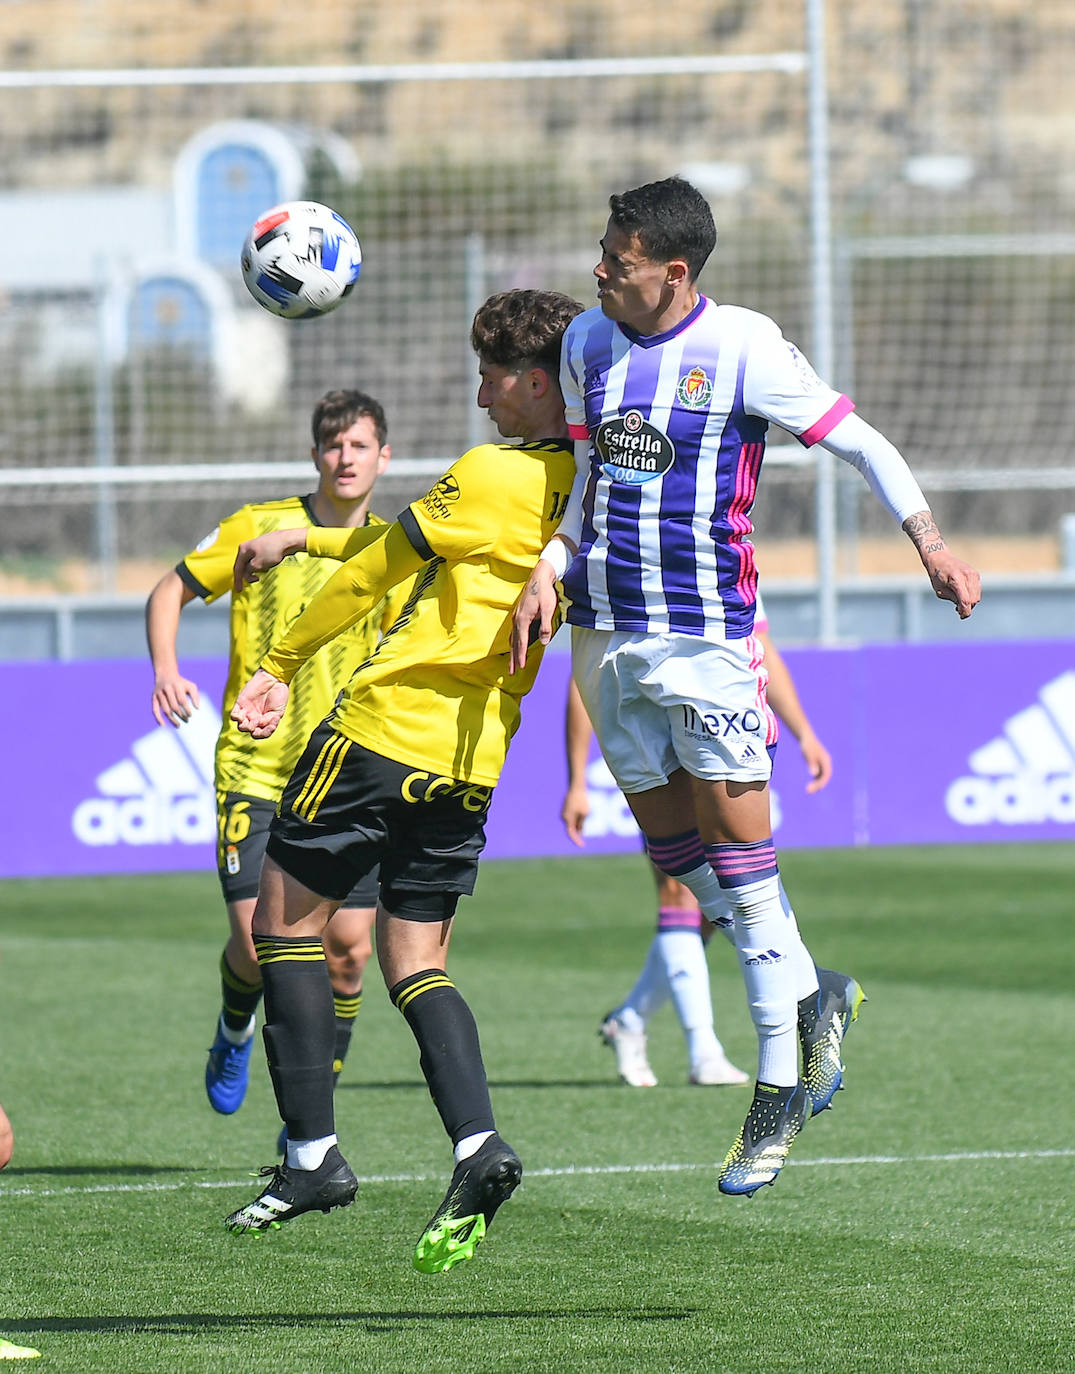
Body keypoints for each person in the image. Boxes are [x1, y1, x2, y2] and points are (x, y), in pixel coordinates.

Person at [512, 176, 981, 1197]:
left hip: (709, 640)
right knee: (674, 852)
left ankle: (774, 1092)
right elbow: (589, 481)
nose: (599, 266)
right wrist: (550, 569)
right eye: (602, 248)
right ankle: (818, 995)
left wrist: (931, 548)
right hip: (602, 634)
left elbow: (863, 443)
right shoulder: (589, 344)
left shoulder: (745, 349)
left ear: (673, 271)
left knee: (738, 856)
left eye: (617, 256)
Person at [220, 288, 583, 1273]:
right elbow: (429, 547)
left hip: (382, 735)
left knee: (280, 926)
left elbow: (381, 568)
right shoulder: (583, 489)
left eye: (494, 376)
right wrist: (301, 535)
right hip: (470, 767)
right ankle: (478, 1143)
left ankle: (310, 1156)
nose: (479, 395)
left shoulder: (491, 471)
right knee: (415, 959)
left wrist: (280, 661)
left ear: (538, 381)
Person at [145, 390, 397, 1140]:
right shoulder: (257, 527)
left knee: (351, 954)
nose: (344, 459)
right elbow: (171, 589)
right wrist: (166, 667)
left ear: (383, 457)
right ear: (315, 455)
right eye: (332, 446)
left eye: (359, 446)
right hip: (255, 768)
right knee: (259, 943)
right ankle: (232, 1028)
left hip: (345, 773)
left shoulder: (393, 547)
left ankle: (312, 1108)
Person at [563, 597, 833, 1089]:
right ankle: (703, 1047)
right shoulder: (624, 558)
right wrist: (577, 779)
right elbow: (584, 680)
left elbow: (762, 646)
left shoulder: (720, 561)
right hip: (656, 743)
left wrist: (805, 734)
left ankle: (631, 1020)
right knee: (679, 892)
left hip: (712, 736)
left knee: (718, 908)